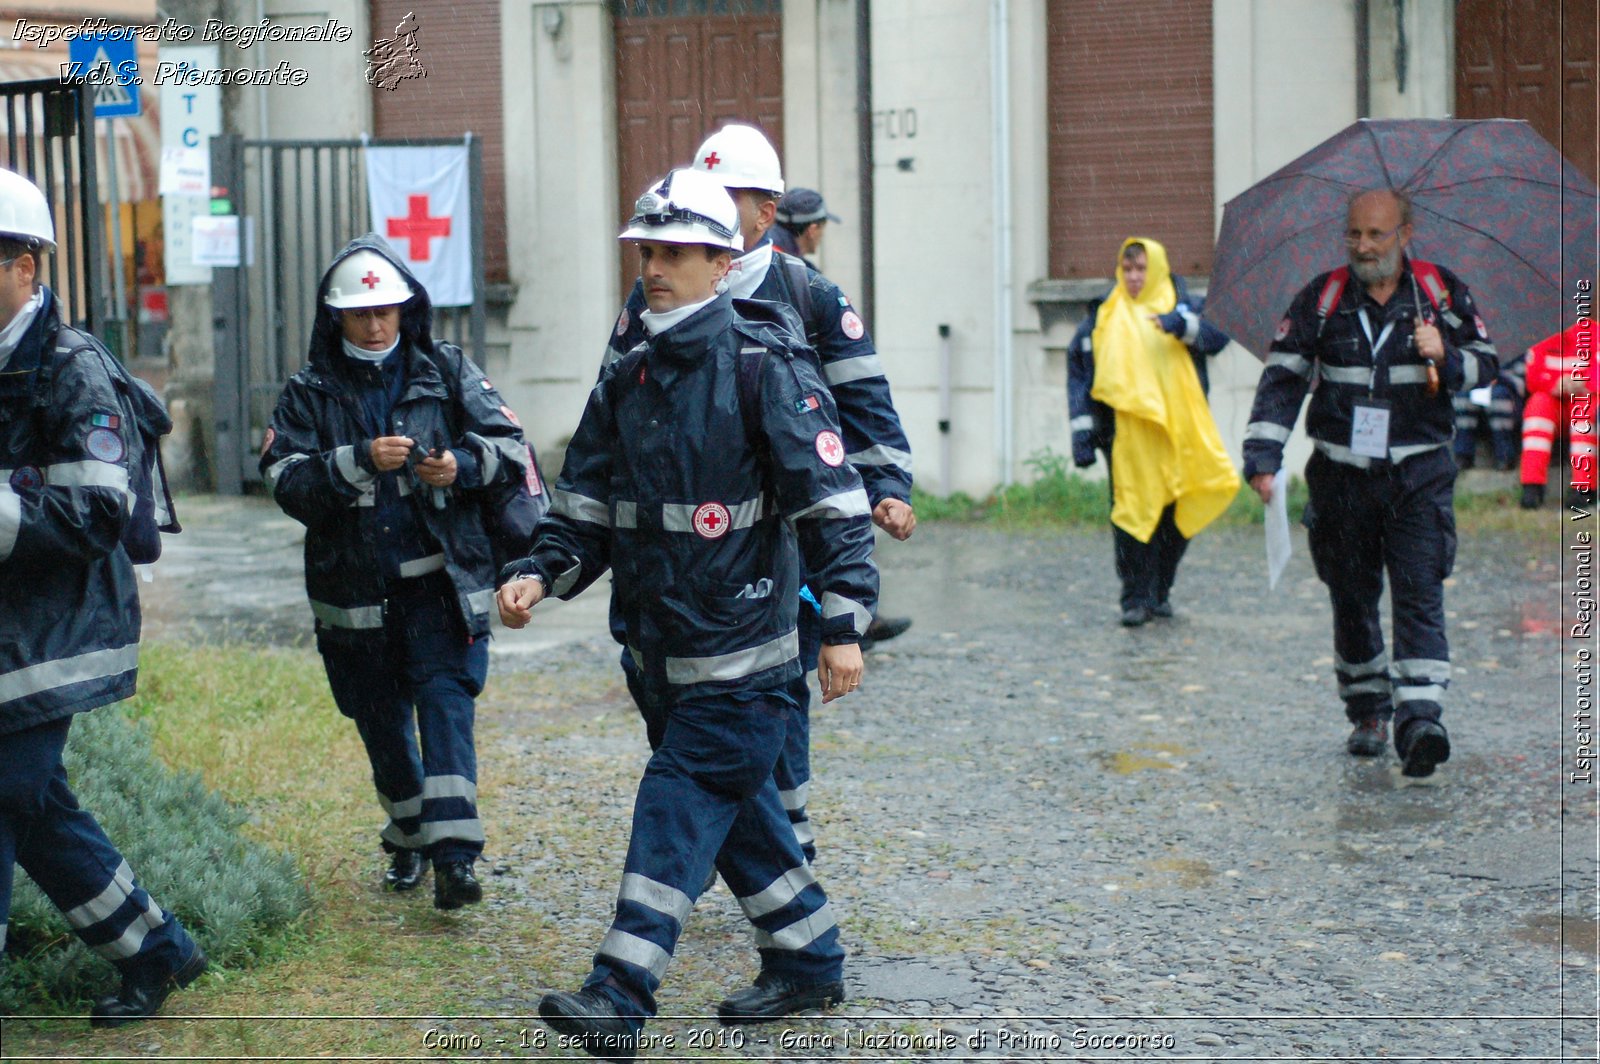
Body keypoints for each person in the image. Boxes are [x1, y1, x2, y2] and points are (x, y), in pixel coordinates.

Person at [502, 167, 876, 1059]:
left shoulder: (766, 366)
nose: (655, 268)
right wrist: (541, 573)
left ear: (724, 261)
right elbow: (586, 504)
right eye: (647, 252)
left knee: (677, 802)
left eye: (675, 253)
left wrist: (845, 625)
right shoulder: (629, 375)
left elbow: (833, 505)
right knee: (740, 813)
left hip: (745, 660)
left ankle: (620, 994)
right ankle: (809, 959)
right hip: (659, 655)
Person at [606, 123, 912, 865]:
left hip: (783, 530)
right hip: (691, 547)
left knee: (779, 679)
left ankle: (787, 833)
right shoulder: (655, 294)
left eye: (728, 198)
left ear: (765, 214)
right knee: (704, 699)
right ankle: (749, 841)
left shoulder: (807, 292)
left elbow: (862, 396)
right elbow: (613, 401)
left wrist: (888, 484)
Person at [260, 234, 530, 909]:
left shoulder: (447, 369)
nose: (377, 325)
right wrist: (355, 461)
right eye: (361, 314)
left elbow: (510, 449)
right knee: (381, 725)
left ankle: (455, 859)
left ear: (408, 309)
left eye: (387, 311)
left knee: (445, 707)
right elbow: (284, 481)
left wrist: (460, 466)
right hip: (353, 595)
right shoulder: (308, 393)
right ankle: (410, 837)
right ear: (337, 318)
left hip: (436, 587)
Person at [0, 167, 206, 1027]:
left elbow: (97, 510)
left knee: (7, 792)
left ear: (28, 267)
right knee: (37, 807)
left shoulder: (70, 364)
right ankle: (158, 951)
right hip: (11, 625)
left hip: (60, 631)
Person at [1243, 188, 1499, 777]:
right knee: (1352, 596)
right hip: (1341, 477)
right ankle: (1368, 711)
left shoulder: (1441, 292)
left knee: (1419, 591)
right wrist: (1263, 454)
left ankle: (1420, 720)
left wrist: (1449, 357)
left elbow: (1488, 362)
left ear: (1405, 234)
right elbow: (1283, 377)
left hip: (1419, 476)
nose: (1363, 246)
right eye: (1354, 234)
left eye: (1376, 235)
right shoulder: (1323, 298)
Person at [1068, 237, 1239, 626]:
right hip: (1125, 436)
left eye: (1141, 269)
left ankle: (1160, 590)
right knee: (1130, 513)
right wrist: (1082, 433)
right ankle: (1134, 598)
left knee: (1173, 515)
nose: (1132, 277)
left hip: (1180, 432)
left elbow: (1217, 336)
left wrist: (1182, 326)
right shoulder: (1105, 313)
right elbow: (1078, 371)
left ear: (1157, 268)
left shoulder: (1182, 303)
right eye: (1127, 269)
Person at [1518, 314, 1596, 509]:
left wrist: (1583, 384)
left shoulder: (1594, 333)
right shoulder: (1540, 335)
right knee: (1538, 406)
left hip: (1584, 402)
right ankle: (1532, 486)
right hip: (1554, 403)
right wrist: (1556, 384)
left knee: (1583, 410)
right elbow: (1533, 379)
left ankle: (1584, 488)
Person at [1451, 350, 1524, 472]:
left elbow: (1522, 378)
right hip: (1478, 381)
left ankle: (1505, 455)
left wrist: (1498, 377)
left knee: (1499, 397)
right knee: (1462, 396)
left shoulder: (1523, 343)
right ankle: (1463, 454)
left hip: (1508, 389)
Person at [771, 187, 839, 270]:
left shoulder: (759, 250)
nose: (822, 235)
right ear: (812, 230)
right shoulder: (799, 273)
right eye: (822, 228)